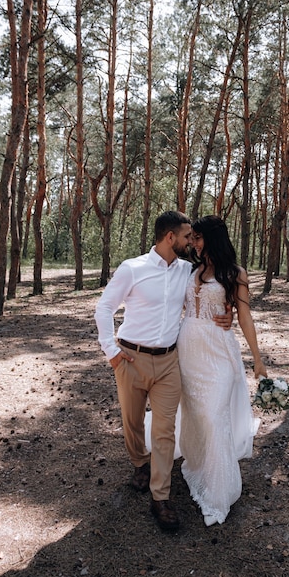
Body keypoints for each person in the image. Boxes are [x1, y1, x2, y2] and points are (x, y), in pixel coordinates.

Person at [94, 211, 231, 532]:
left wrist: (227, 315)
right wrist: (111, 352)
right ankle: (139, 462)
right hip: (130, 357)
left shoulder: (188, 271)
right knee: (132, 422)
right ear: (171, 237)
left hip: (170, 360)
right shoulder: (132, 269)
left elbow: (209, 294)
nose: (191, 242)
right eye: (187, 237)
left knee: (165, 430)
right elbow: (104, 308)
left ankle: (161, 497)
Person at [177, 215, 267, 527]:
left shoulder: (235, 273)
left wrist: (257, 359)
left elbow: (244, 317)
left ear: (213, 238)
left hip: (219, 352)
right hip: (188, 350)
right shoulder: (190, 268)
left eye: (198, 238)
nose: (193, 243)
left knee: (215, 416)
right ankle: (198, 462)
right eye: (192, 238)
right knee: (196, 413)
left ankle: (218, 492)